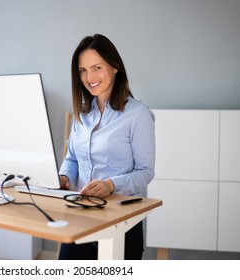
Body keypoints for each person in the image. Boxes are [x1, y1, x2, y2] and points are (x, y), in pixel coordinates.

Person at [58, 34, 155, 260]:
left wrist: (111, 184)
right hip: (78, 219)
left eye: (97, 67)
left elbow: (145, 172)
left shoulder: (138, 114)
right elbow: (72, 158)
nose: (89, 77)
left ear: (115, 67)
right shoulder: (81, 114)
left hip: (121, 222)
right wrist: (64, 177)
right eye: (82, 70)